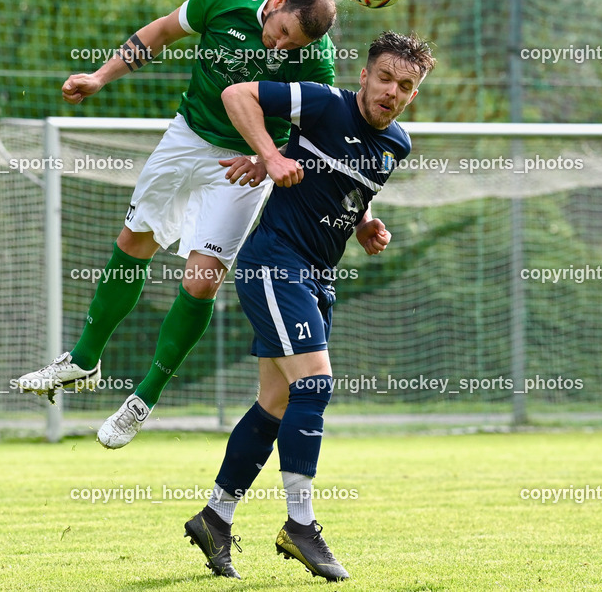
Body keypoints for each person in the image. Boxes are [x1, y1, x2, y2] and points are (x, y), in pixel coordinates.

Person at [17, 0, 338, 449]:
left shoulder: (318, 57)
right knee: (133, 243)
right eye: (283, 31)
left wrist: (264, 157)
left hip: (243, 164)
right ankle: (84, 359)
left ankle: (143, 399)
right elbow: (161, 32)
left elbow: (318, 128)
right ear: (279, 2)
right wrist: (99, 77)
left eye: (296, 43)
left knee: (202, 280)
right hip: (187, 137)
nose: (283, 46)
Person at [183, 31, 436, 581]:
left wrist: (365, 222)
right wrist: (270, 155)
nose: (393, 91)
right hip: (275, 262)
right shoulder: (323, 103)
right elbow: (237, 96)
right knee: (314, 385)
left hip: (317, 276)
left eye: (407, 85)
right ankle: (300, 524)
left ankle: (215, 517)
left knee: (275, 404)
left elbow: (350, 188)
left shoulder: (397, 144)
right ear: (364, 75)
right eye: (386, 77)